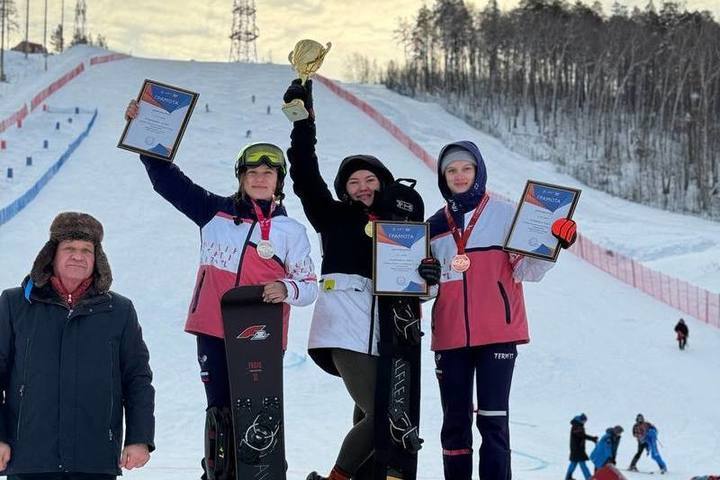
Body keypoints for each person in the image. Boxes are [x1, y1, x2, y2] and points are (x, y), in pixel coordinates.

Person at [124, 101, 318, 479]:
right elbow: (167, 180)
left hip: (260, 335)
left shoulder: (291, 231)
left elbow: (309, 286)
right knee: (219, 409)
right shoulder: (214, 213)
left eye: (268, 173)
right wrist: (147, 131)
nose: (260, 178)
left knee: (259, 412)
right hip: (213, 328)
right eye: (252, 172)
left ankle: (264, 472)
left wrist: (286, 287)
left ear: (279, 180)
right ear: (241, 178)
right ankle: (215, 472)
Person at [415, 141, 579, 480]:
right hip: (449, 337)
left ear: (478, 171)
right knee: (455, 423)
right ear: (443, 177)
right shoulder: (433, 227)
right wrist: (425, 280)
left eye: (465, 168)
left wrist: (552, 245)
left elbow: (526, 272)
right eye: (451, 170)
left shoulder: (507, 215)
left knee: (492, 421)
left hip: (498, 335)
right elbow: (425, 291)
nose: (459, 176)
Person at [283, 79, 407, 480]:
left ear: (383, 184)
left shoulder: (399, 226)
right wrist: (305, 122)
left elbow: (415, 282)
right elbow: (304, 173)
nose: (363, 186)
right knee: (381, 413)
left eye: (369, 180)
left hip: (382, 326)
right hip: (342, 321)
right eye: (353, 182)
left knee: (366, 415)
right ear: (344, 190)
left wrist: (426, 276)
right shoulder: (332, 214)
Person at [0, 211, 155, 479]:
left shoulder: (119, 310)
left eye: (87, 250)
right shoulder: (14, 304)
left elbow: (137, 379)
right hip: (30, 459)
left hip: (95, 459)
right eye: (69, 248)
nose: (78, 256)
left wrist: (139, 438)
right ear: (52, 255)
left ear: (97, 259)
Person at [566, 414, 598, 480]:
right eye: (584, 421)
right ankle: (588, 477)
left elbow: (581, 435)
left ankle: (568, 477)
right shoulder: (576, 426)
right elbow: (581, 435)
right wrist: (592, 438)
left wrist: (592, 439)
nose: (584, 422)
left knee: (574, 463)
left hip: (577, 449)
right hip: (577, 449)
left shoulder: (578, 425)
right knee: (582, 463)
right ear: (581, 419)